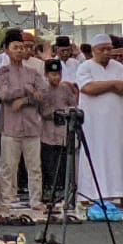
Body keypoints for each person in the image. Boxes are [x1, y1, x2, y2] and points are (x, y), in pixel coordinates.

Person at [75, 33, 123, 209]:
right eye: (103, 50)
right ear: (94, 51)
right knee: (93, 156)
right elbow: (87, 88)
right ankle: (89, 196)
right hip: (94, 125)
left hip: (116, 124)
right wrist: (113, 85)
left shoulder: (118, 67)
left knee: (118, 157)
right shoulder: (85, 67)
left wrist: (119, 86)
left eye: (109, 49)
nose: (107, 53)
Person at [0, 31, 46, 209]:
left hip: (32, 125)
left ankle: (35, 200)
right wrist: (28, 90)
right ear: (6, 51)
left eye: (21, 48)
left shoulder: (33, 72)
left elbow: (42, 95)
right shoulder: (2, 72)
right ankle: (8, 199)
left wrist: (24, 98)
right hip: (11, 126)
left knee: (35, 167)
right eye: (15, 47)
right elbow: (3, 93)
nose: (19, 51)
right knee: (8, 166)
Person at [39, 59, 78, 205]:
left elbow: (73, 105)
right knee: (49, 163)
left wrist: (64, 112)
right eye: (52, 74)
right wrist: (57, 112)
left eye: (58, 74)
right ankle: (49, 192)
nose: (56, 77)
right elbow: (43, 111)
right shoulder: (42, 90)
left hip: (63, 132)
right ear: (46, 74)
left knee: (62, 163)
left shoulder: (65, 89)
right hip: (47, 132)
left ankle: (63, 191)